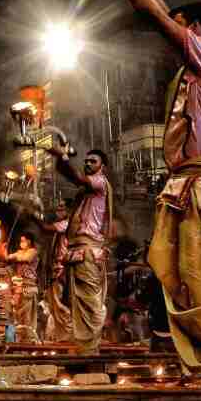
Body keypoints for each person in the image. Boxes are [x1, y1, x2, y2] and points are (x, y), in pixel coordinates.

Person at [94, 0, 201, 381]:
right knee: (181, 276)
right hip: (187, 186)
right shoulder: (193, 69)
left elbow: (159, 19)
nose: (173, 32)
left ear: (195, 31)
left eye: (181, 26)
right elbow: (162, 15)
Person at [46, 146, 113, 354]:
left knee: (89, 303)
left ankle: (90, 350)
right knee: (79, 303)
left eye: (93, 161)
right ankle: (84, 348)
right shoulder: (85, 191)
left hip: (88, 251)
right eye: (86, 161)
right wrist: (60, 160)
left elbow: (75, 178)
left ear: (103, 167)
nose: (88, 163)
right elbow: (71, 175)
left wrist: (63, 156)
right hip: (78, 253)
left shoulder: (100, 183)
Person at [37, 199, 72, 342]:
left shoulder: (68, 223)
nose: (59, 210)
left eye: (62, 207)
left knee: (62, 309)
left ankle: (67, 340)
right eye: (58, 208)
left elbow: (46, 228)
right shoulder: (60, 228)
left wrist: (34, 216)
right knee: (55, 309)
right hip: (55, 272)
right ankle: (61, 340)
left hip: (62, 271)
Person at [2, 232, 40, 342]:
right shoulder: (19, 253)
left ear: (29, 241)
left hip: (28, 286)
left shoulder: (33, 252)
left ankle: (28, 340)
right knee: (17, 315)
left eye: (23, 240)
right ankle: (17, 340)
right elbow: (7, 258)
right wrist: (3, 249)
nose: (21, 243)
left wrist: (13, 257)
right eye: (20, 241)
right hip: (18, 287)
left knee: (27, 317)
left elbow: (26, 259)